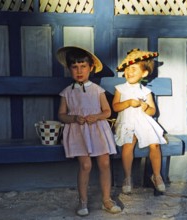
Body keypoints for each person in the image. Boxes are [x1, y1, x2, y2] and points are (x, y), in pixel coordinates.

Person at [56, 46, 121, 216]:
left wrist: (98, 116)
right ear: (69, 69)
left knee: (105, 163)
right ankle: (83, 201)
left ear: (91, 68)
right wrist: (74, 118)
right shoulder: (66, 93)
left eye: (83, 66)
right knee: (85, 165)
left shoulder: (97, 90)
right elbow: (62, 115)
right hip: (78, 132)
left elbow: (107, 112)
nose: (79, 71)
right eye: (74, 67)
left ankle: (106, 199)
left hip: (98, 130)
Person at [112, 48, 167, 194]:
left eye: (134, 69)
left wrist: (145, 107)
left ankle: (157, 175)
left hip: (143, 121)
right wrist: (129, 102)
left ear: (144, 73)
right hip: (127, 121)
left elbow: (152, 111)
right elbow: (116, 107)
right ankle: (128, 177)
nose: (129, 72)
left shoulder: (146, 92)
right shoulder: (120, 89)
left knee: (154, 144)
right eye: (128, 69)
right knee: (129, 143)